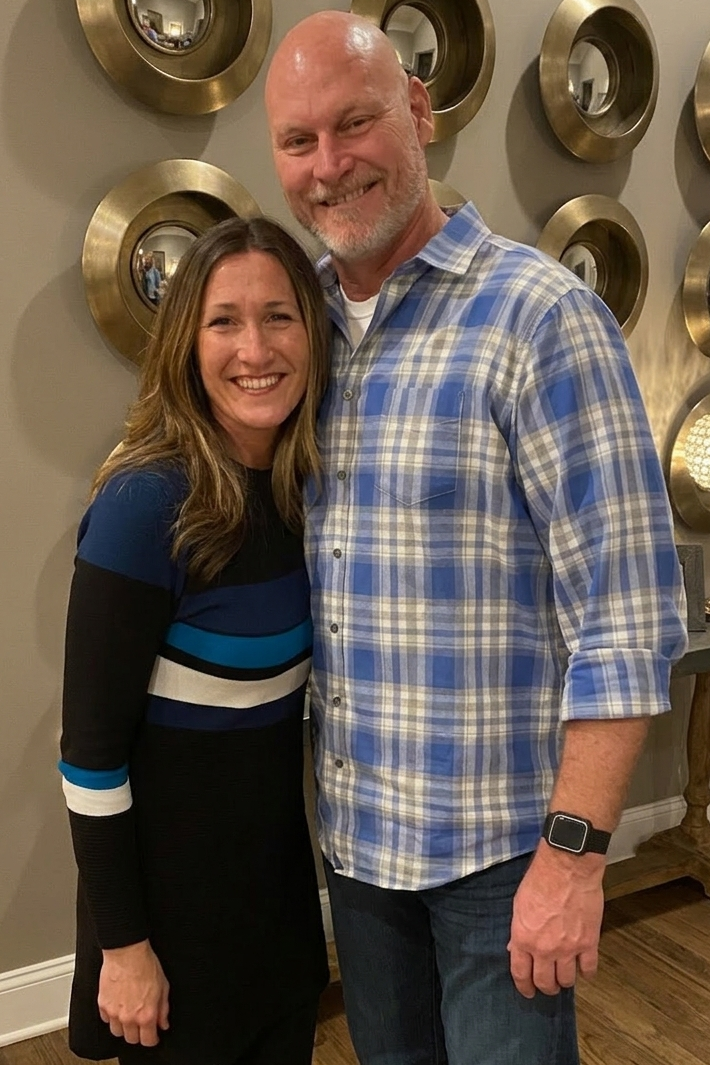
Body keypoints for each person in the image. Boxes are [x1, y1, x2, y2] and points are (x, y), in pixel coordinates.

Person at [264, 12, 688, 1065]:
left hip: (500, 855)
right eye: (297, 141)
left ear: (417, 113)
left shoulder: (537, 318)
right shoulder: (300, 329)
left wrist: (575, 859)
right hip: (359, 851)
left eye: (354, 123)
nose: (328, 166)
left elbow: (628, 617)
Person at [58, 215, 330, 1065]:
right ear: (188, 341)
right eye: (224, 320)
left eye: (279, 315)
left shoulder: (302, 494)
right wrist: (125, 948)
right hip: (168, 938)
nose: (256, 347)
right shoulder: (148, 503)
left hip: (278, 915)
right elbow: (90, 756)